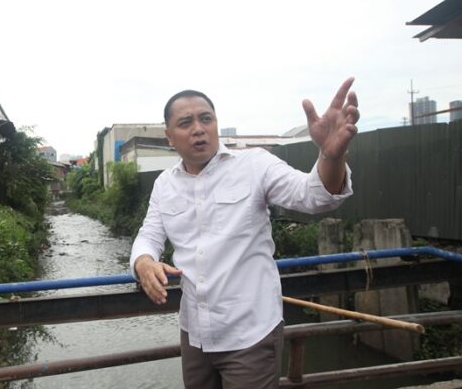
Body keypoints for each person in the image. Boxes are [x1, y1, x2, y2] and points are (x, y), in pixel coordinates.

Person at [130, 78, 359, 388]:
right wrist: (143, 262)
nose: (198, 128)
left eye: (205, 118)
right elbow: (150, 235)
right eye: (186, 123)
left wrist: (331, 155)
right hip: (195, 333)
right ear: (170, 137)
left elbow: (314, 196)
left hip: (250, 334)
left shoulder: (254, 165)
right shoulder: (164, 185)